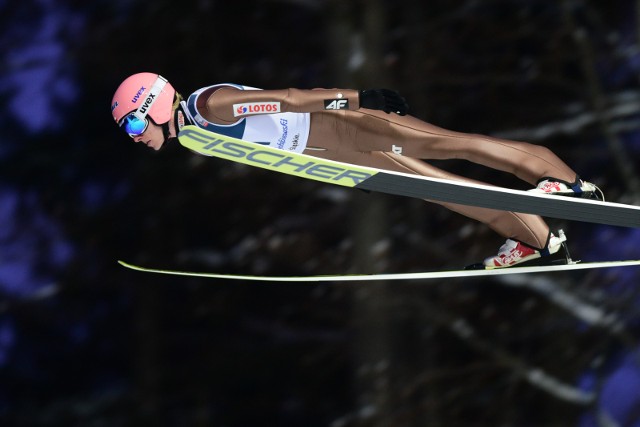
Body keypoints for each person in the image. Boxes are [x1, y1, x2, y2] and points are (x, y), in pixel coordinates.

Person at [111, 72, 600, 269]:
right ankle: (539, 241)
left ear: (152, 104)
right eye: (126, 128)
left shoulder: (210, 106)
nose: (133, 134)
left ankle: (568, 184)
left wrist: (361, 100)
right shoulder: (195, 133)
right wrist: (334, 171)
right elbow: (272, 149)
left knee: (451, 146)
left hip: (346, 124)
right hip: (335, 152)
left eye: (133, 120)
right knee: (438, 189)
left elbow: (287, 101)